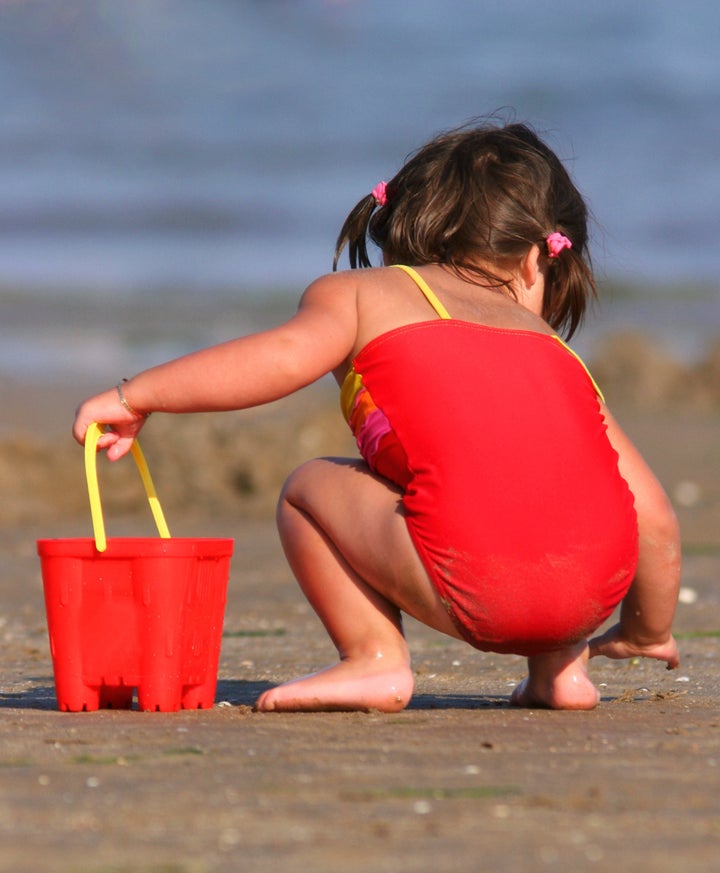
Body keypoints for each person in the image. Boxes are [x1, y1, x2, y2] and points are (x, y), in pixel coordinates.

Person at [73, 119, 681, 712]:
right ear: (534, 260)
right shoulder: (559, 353)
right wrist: (648, 631)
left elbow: (279, 357)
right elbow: (651, 514)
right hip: (589, 593)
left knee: (307, 489)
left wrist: (137, 396)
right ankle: (560, 670)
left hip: (477, 583)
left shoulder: (362, 294)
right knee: (544, 489)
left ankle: (374, 658)